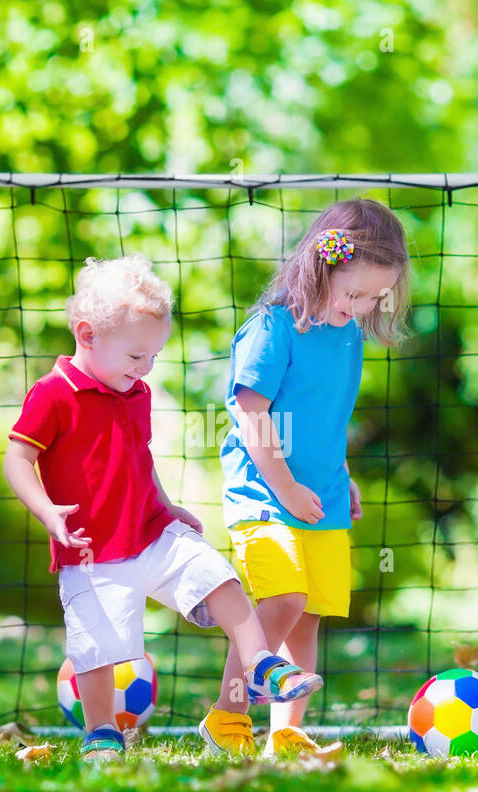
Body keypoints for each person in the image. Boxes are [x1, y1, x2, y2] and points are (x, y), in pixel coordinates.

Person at [3, 255, 323, 762]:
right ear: (87, 336)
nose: (145, 368)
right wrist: (46, 512)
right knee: (96, 646)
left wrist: (167, 503)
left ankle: (261, 663)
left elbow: (139, 456)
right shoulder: (52, 394)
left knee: (220, 577)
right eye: (135, 356)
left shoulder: (136, 392)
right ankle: (102, 732)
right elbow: (18, 458)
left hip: (151, 532)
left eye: (153, 355)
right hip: (92, 552)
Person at [202, 199, 411, 758]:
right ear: (325, 265)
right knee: (282, 597)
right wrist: (288, 487)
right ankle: (227, 716)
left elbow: (327, 417)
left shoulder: (348, 337)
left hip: (321, 497)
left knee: (308, 615)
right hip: (263, 495)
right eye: (355, 294)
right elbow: (252, 414)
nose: (363, 307)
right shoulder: (272, 327)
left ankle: (286, 732)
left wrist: (343, 477)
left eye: (375, 299)